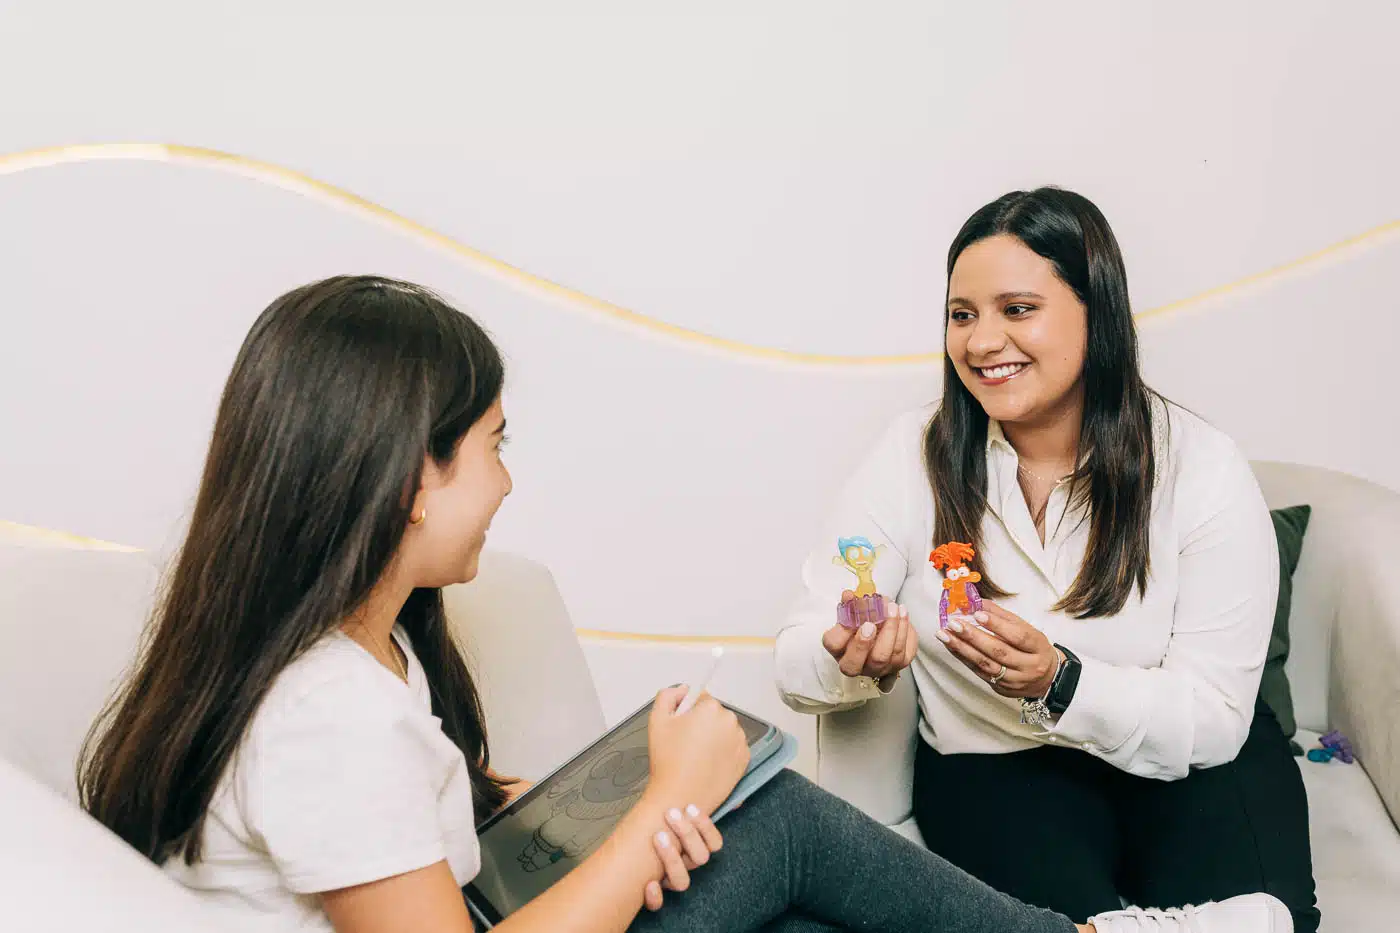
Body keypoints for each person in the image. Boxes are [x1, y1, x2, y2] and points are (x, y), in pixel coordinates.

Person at [77, 275, 1287, 933]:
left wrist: (591, 803)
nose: (507, 482)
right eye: (494, 445)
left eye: (1016, 312)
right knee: (777, 826)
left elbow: (399, 832)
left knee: (783, 880)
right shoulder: (323, 714)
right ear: (407, 479)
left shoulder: (360, 654)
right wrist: (665, 799)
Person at [775, 188, 1319, 933]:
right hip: (997, 769)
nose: (981, 342)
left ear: (1098, 313)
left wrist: (1062, 682)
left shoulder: (1202, 466)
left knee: (1279, 921)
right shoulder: (909, 456)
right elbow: (796, 658)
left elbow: (1215, 718)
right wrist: (847, 658)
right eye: (962, 314)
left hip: (1184, 764)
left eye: (1017, 309)